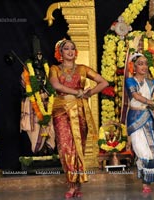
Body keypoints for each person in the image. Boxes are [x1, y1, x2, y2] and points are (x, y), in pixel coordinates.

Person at [49, 38, 108, 198]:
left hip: (80, 112)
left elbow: (104, 82)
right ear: (60, 53)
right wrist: (77, 92)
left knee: (78, 147)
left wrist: (90, 92)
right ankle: (72, 183)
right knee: (65, 146)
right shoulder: (54, 69)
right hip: (61, 111)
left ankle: (77, 184)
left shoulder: (83, 69)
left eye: (72, 48)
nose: (69, 51)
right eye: (66, 48)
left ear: (76, 52)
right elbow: (56, 85)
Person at [124, 52, 154, 193]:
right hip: (134, 118)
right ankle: (151, 181)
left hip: (147, 117)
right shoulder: (130, 81)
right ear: (134, 67)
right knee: (140, 149)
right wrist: (151, 102)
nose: (144, 66)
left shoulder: (152, 83)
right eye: (140, 64)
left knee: (152, 148)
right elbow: (135, 96)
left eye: (145, 63)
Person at [20, 35, 55, 154]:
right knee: (35, 130)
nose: (39, 57)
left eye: (41, 54)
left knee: (49, 127)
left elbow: (51, 85)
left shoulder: (46, 69)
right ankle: (38, 150)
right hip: (32, 103)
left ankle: (48, 149)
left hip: (46, 101)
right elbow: (25, 86)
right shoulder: (27, 70)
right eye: (37, 55)